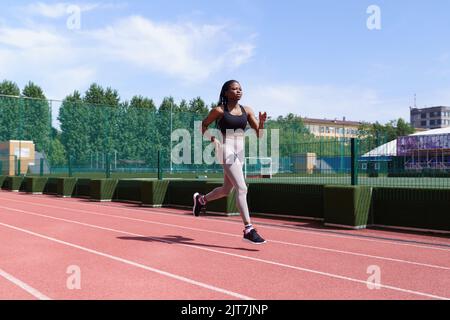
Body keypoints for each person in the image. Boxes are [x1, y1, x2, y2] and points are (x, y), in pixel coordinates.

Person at [193, 80, 267, 244]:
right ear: (226, 92)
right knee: (242, 188)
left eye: (240, 89)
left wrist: (261, 122)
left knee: (227, 190)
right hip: (225, 149)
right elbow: (202, 126)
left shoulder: (247, 111)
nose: (238, 91)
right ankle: (249, 229)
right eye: (234, 89)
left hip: (239, 152)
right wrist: (213, 139)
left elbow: (259, 134)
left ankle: (201, 200)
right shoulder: (219, 110)